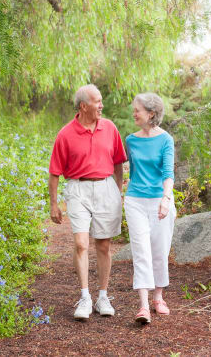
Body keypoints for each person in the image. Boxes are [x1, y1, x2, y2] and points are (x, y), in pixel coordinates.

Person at [48, 84, 127, 320]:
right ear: (84, 106)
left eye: (101, 101)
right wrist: (54, 204)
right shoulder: (65, 134)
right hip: (77, 188)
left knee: (103, 245)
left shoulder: (110, 128)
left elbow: (118, 163)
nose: (102, 105)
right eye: (98, 101)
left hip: (105, 187)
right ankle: (85, 297)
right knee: (81, 243)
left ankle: (103, 296)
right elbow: (54, 172)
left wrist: (117, 191)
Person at [124, 92, 176, 324]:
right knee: (140, 251)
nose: (134, 113)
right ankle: (143, 306)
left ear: (151, 113)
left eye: (138, 110)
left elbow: (168, 173)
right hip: (135, 200)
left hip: (160, 200)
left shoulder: (166, 139)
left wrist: (166, 198)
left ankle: (158, 297)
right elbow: (132, 171)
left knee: (159, 250)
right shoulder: (131, 140)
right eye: (134, 109)